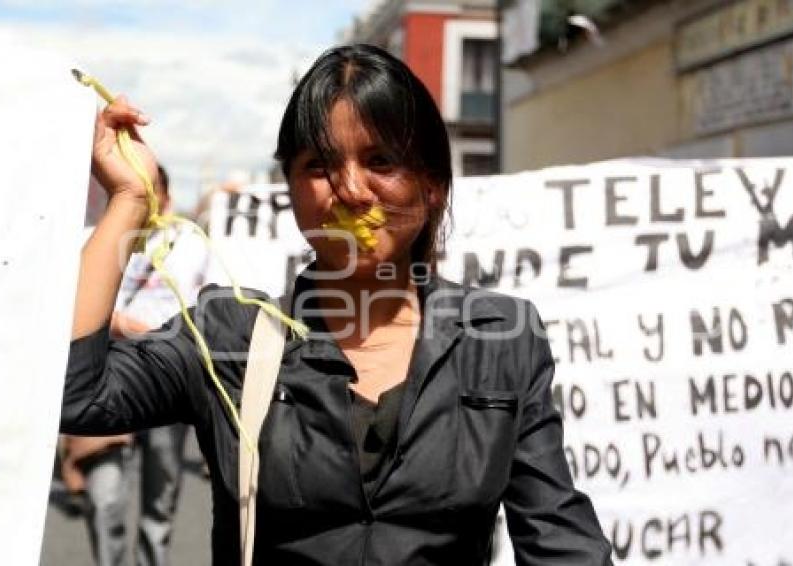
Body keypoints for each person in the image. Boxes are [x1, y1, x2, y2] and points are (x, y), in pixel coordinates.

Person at [61, 44, 613, 564]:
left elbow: (561, 540)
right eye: (320, 166)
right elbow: (74, 397)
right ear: (292, 190)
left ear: (433, 185)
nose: (351, 189)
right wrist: (129, 203)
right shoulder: (229, 335)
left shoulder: (502, 338)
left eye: (381, 160)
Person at [62, 165, 207, 566]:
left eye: (151, 192)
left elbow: (211, 310)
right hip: (105, 378)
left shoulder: (193, 242)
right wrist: (123, 325)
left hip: (170, 381)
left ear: (167, 198)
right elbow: (71, 308)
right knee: (104, 495)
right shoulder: (97, 242)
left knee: (160, 502)